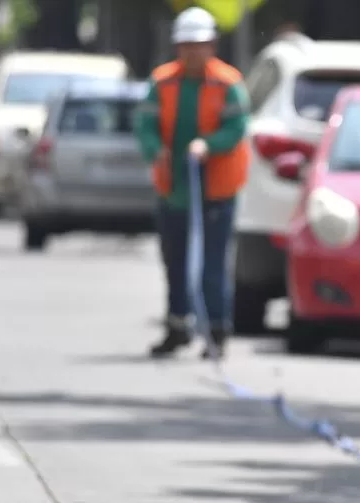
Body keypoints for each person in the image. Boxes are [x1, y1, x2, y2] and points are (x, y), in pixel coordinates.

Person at [135, 6, 251, 359]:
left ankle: (216, 330)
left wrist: (208, 145)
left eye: (199, 45)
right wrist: (155, 149)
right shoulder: (163, 82)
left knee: (212, 263)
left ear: (212, 45)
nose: (193, 52)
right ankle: (177, 325)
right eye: (186, 45)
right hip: (175, 189)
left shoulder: (228, 83)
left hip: (214, 189)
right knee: (174, 261)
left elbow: (236, 128)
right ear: (177, 47)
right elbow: (146, 126)